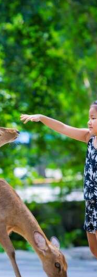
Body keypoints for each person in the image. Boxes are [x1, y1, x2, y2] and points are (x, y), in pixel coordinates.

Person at [21, 103, 97, 258]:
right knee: (94, 248)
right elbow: (63, 128)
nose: (89, 122)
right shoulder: (89, 138)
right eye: (89, 118)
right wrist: (41, 118)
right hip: (90, 202)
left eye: (93, 118)